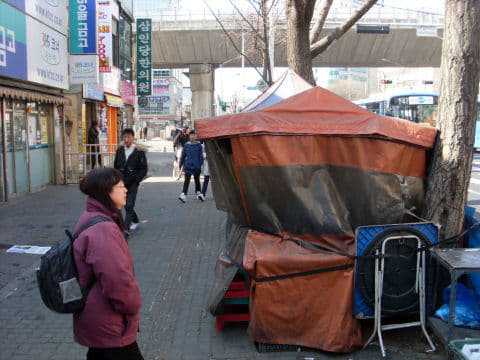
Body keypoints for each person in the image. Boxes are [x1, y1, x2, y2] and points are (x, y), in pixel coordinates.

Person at [73, 168, 144, 360]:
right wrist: (133, 305)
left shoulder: (92, 217)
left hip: (97, 319)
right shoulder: (104, 228)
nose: (126, 190)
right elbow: (117, 280)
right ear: (106, 193)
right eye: (120, 187)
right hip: (110, 323)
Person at [114, 128, 148, 231]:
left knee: (129, 204)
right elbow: (116, 166)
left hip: (133, 182)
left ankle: (125, 228)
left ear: (133, 138)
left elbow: (144, 168)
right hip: (121, 182)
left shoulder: (138, 152)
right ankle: (136, 220)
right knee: (125, 204)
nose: (126, 139)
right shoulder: (119, 151)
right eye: (124, 137)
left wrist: (137, 180)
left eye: (128, 137)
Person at [178, 130, 204, 202]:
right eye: (191, 135)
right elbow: (183, 156)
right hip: (188, 166)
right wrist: (180, 165)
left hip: (196, 166)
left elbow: (201, 156)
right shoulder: (186, 145)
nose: (192, 136)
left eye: (193, 135)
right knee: (186, 181)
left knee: (197, 180)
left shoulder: (198, 145)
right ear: (189, 136)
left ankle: (198, 193)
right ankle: (183, 194)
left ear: (196, 136)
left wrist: (199, 164)